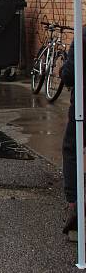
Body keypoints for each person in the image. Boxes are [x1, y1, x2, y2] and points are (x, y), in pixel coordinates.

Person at [61, 31, 86, 241]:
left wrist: (63, 69)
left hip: (83, 108)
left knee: (72, 150)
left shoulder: (83, 35)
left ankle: (75, 205)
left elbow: (69, 75)